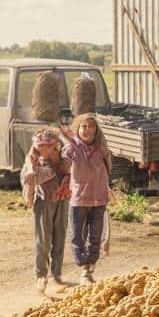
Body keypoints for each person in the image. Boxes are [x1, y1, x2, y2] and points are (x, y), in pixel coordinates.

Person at [20, 129, 71, 295]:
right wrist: (38, 175)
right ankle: (41, 274)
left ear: (55, 145)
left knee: (59, 238)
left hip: (62, 201)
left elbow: (73, 170)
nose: (44, 150)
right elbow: (27, 178)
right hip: (44, 202)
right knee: (43, 241)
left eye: (47, 146)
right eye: (40, 146)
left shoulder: (63, 159)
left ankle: (56, 275)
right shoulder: (34, 160)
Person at [62, 113, 111, 285]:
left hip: (98, 199)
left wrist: (108, 191)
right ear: (77, 129)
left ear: (96, 130)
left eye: (91, 126)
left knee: (95, 236)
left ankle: (88, 269)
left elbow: (106, 170)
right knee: (77, 235)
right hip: (79, 199)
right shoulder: (73, 148)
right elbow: (65, 160)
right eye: (83, 126)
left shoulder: (101, 149)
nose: (87, 130)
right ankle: (83, 264)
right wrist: (70, 140)